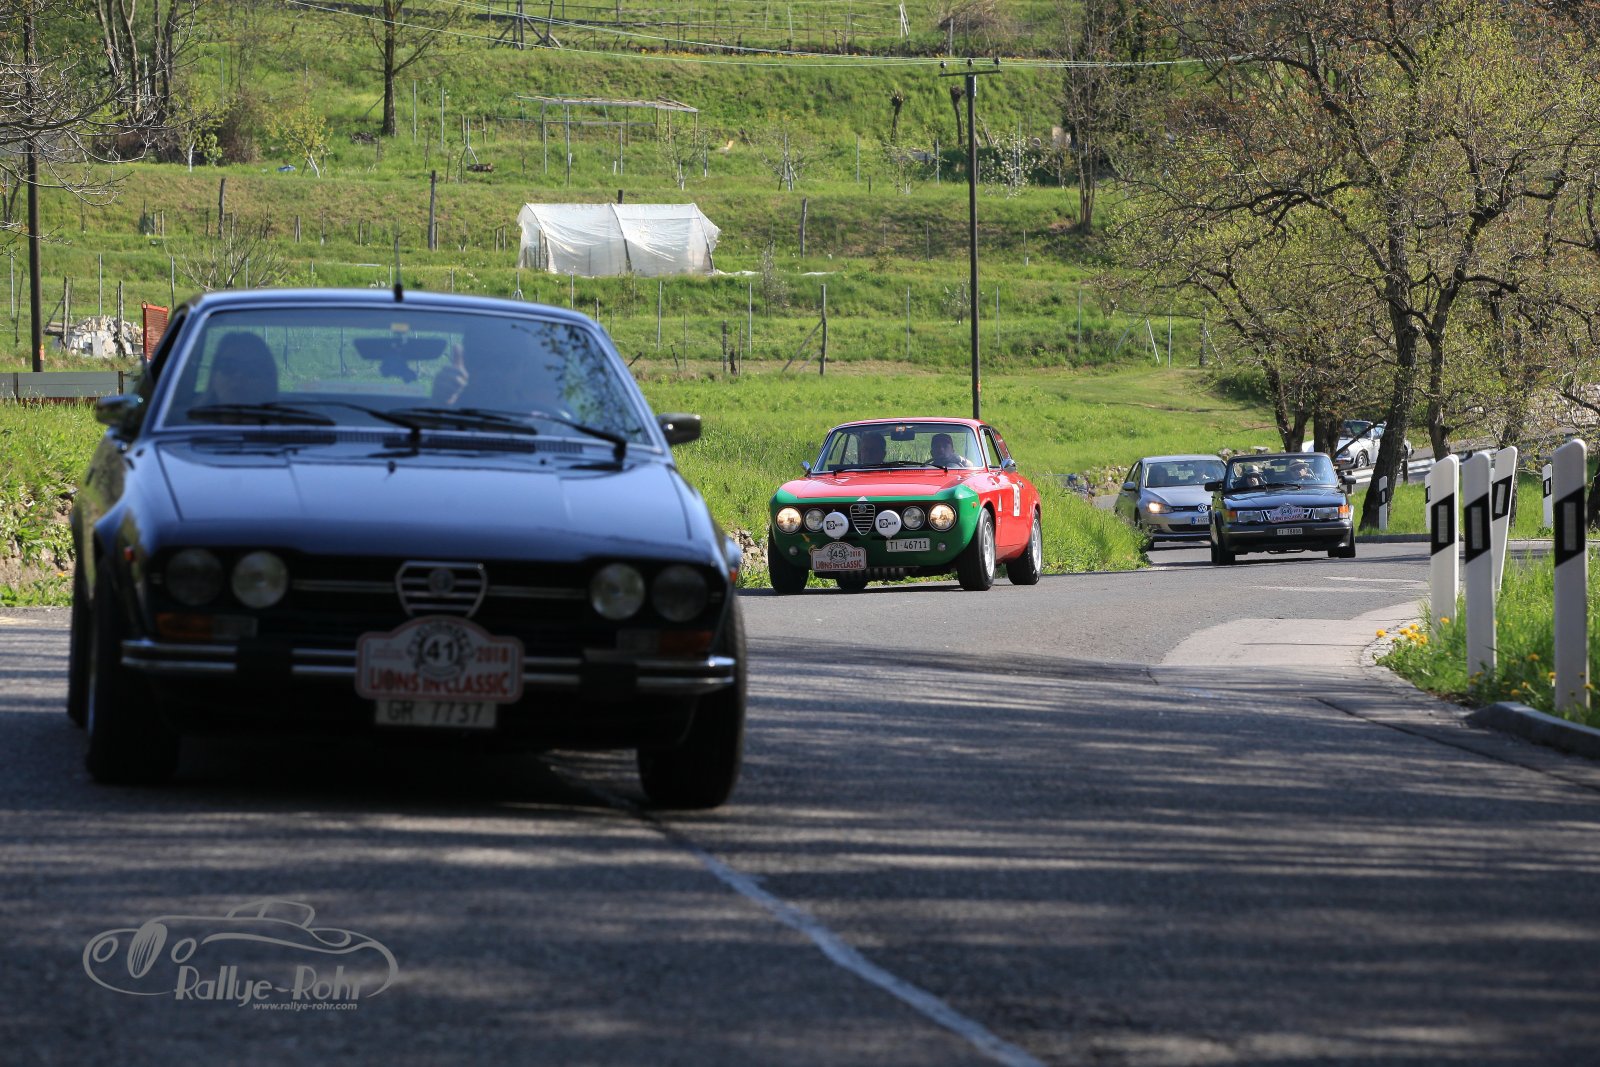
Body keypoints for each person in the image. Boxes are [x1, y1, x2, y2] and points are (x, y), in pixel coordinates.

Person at [431, 323, 567, 415]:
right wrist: (438, 403)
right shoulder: (444, 407)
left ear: (523, 365)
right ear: (466, 361)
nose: (494, 372)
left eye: (506, 363)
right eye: (483, 361)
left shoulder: (544, 417)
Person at [198, 332, 279, 406]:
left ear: (269, 381)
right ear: (213, 376)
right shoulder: (193, 415)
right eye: (228, 366)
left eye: (252, 369)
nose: (239, 375)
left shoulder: (282, 417)